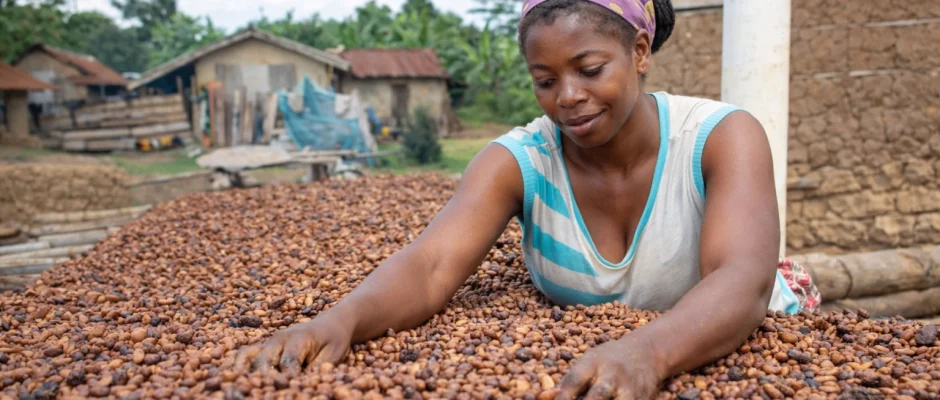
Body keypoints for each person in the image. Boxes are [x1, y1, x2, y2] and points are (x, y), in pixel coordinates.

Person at [235, 0, 821, 398]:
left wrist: (649, 353)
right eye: (545, 80)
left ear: (640, 52)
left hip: (738, 344)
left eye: (590, 69)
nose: (568, 97)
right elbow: (432, 264)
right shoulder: (521, 161)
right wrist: (341, 320)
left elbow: (741, 279)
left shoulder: (719, 136)